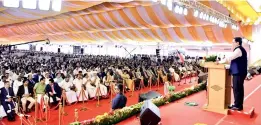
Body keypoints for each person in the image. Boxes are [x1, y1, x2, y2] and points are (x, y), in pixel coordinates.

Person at [218, 37, 247, 111]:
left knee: (237, 89)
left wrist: (220, 62)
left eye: (233, 42)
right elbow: (235, 62)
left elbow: (230, 58)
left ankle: (238, 105)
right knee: (238, 89)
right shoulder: (239, 50)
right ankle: (238, 104)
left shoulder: (238, 50)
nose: (232, 44)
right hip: (239, 72)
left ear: (237, 43)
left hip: (239, 73)